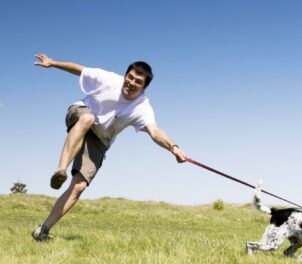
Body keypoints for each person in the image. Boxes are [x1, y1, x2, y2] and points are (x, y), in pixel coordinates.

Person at [31, 53, 187, 241]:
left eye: (137, 81)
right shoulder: (109, 79)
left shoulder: (142, 107)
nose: (131, 83)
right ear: (125, 75)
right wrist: (53, 63)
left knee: (79, 186)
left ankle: (43, 230)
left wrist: (173, 147)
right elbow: (80, 69)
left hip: (100, 139)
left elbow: (154, 131)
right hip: (80, 113)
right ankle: (61, 169)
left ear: (144, 87)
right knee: (87, 119)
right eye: (129, 77)